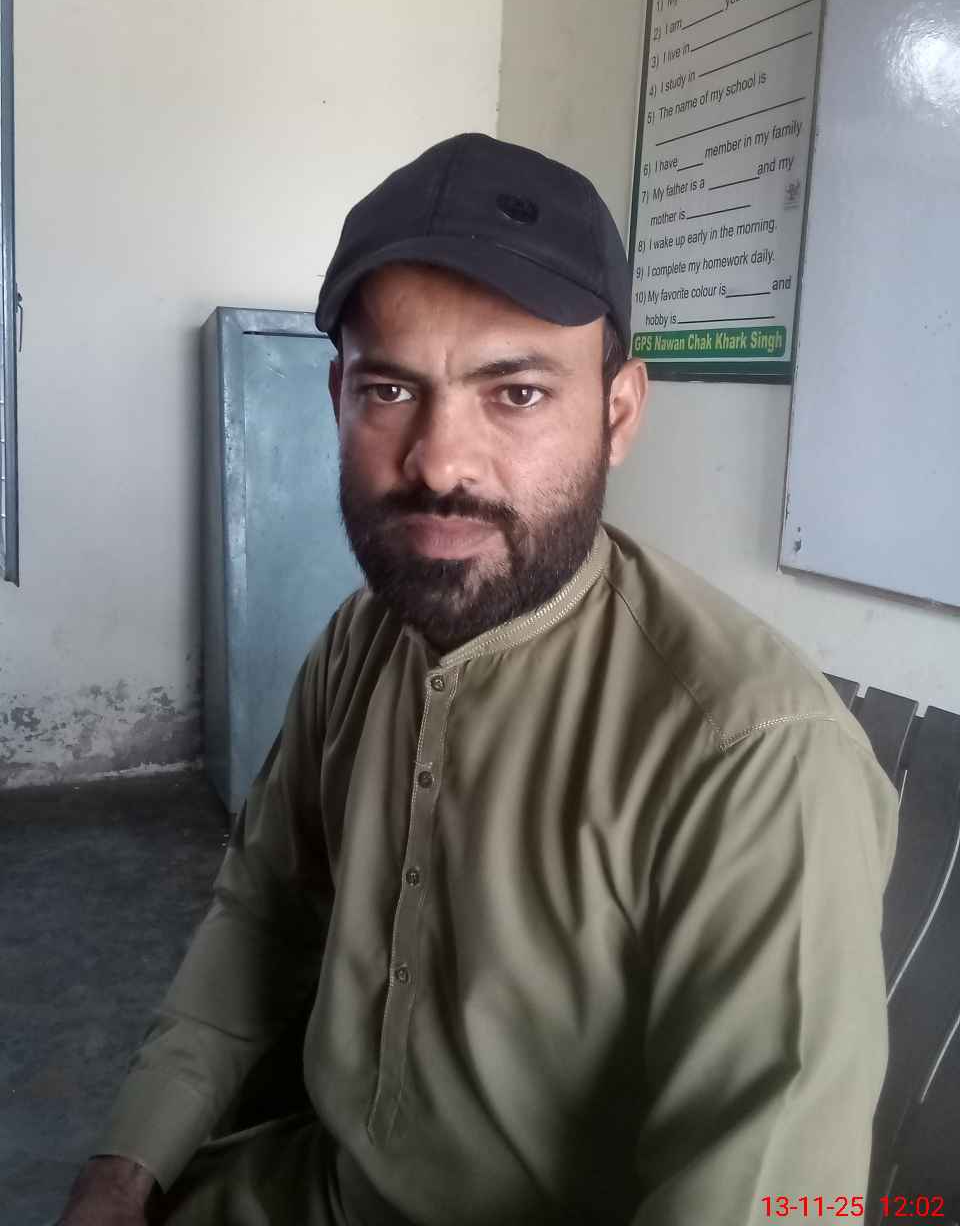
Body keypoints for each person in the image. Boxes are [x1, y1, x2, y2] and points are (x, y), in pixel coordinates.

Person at [58, 133, 898, 1226]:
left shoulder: (757, 757)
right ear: (337, 397)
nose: (440, 461)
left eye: (517, 393)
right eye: (390, 387)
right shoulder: (362, 640)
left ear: (619, 413)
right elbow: (263, 912)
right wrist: (128, 1164)